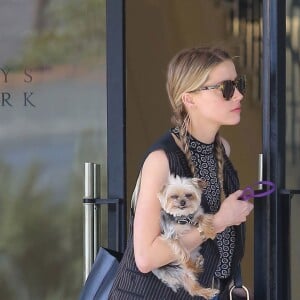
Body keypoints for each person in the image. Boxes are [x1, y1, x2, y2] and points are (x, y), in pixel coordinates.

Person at [109, 46, 254, 300]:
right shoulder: (162, 160)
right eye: (226, 88)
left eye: (238, 84)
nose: (239, 95)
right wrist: (219, 222)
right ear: (189, 99)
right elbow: (146, 257)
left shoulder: (222, 151)